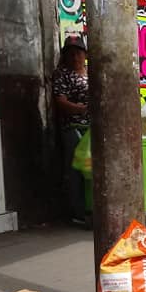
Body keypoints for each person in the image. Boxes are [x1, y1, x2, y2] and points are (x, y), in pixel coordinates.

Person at [52, 35, 89, 225]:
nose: (76, 58)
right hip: (72, 128)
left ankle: (92, 207)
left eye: (79, 53)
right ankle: (78, 212)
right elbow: (61, 101)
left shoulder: (89, 72)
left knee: (91, 169)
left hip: (91, 130)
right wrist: (81, 109)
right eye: (71, 54)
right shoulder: (62, 74)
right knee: (76, 169)